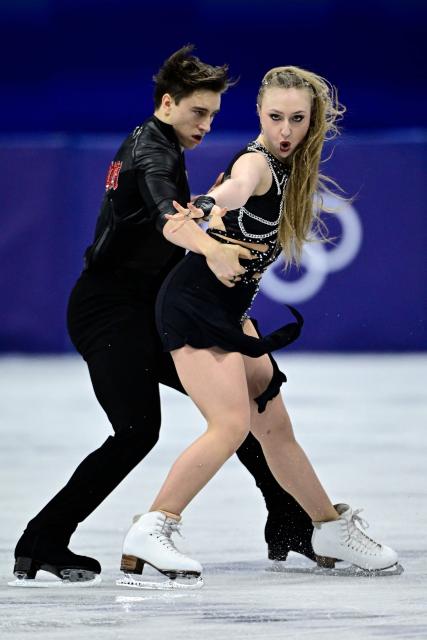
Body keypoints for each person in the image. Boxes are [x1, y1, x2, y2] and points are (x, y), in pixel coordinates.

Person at [12, 47, 320, 586]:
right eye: (197, 113)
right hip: (109, 311)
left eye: (214, 116)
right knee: (137, 431)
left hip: (144, 307)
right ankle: (42, 540)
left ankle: (289, 517)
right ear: (167, 103)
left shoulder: (155, 141)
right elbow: (168, 219)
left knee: (233, 404)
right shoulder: (153, 153)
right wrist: (215, 250)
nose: (205, 125)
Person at [119, 65, 399, 585]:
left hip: (229, 313)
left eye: (296, 119)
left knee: (275, 429)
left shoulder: (296, 165)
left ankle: (327, 527)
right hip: (193, 308)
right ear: (259, 116)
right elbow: (237, 188)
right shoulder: (258, 161)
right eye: (274, 118)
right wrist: (208, 202)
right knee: (230, 425)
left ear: (312, 119)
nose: (285, 131)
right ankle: (154, 527)